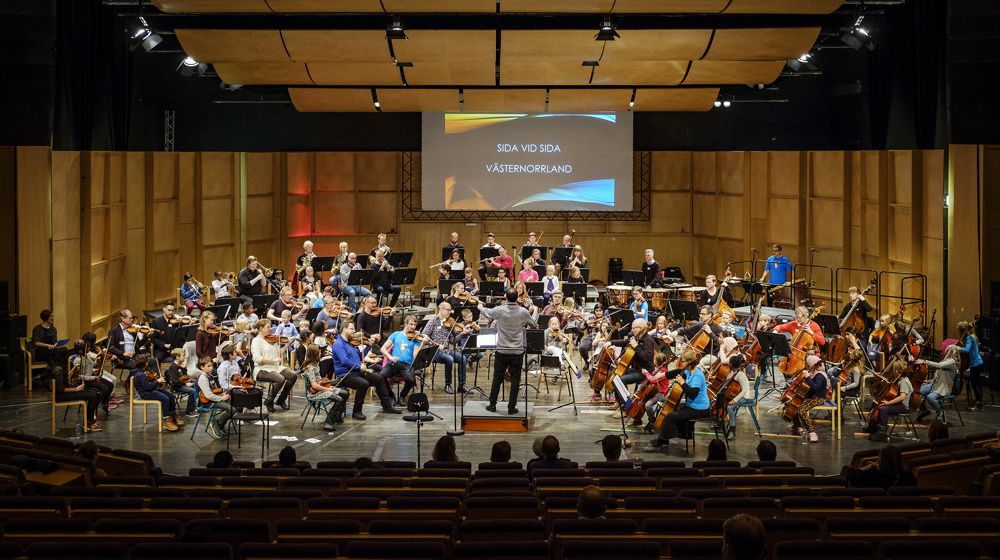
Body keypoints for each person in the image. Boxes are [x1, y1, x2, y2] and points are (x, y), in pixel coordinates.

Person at [479, 288, 538, 414]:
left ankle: (492, 405)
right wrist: (536, 311)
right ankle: (511, 407)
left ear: (506, 297)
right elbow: (533, 323)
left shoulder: (499, 310)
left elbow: (487, 313)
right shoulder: (522, 311)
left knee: (497, 377)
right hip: (517, 351)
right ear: (517, 298)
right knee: (515, 379)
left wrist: (480, 307)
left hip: (502, 350)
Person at [330, 321, 401, 419]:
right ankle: (357, 411)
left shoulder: (350, 343)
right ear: (344, 329)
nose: (354, 331)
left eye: (354, 329)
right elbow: (344, 360)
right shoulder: (338, 344)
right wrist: (358, 366)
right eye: (351, 329)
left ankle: (387, 406)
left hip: (356, 372)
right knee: (363, 384)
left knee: (379, 378)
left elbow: (359, 356)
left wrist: (369, 346)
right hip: (345, 374)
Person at [645, 348, 709, 452]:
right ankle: (664, 438)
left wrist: (682, 383)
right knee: (671, 410)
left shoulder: (697, 375)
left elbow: (693, 394)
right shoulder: (690, 371)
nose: (682, 363)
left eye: (683, 361)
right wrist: (662, 375)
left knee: (670, 416)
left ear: (689, 362)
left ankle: (659, 442)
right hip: (693, 406)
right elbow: (678, 372)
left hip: (699, 409)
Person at [423, 301, 473, 394]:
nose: (450, 312)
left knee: (462, 358)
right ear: (441, 309)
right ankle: (448, 385)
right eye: (448, 310)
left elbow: (453, 341)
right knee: (449, 359)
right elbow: (424, 336)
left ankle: (461, 385)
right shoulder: (432, 322)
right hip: (434, 351)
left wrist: (461, 334)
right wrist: (436, 344)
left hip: (446, 350)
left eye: (450, 310)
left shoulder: (450, 323)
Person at [49, 347, 103, 431]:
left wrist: (73, 371)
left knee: (95, 391)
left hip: (64, 393)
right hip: (61, 395)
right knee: (93, 396)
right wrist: (76, 389)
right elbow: (60, 389)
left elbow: (64, 380)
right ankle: (88, 422)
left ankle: (90, 419)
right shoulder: (58, 370)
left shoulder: (57, 366)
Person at [250, 319, 299, 412]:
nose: (270, 329)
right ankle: (269, 400)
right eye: (268, 327)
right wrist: (273, 360)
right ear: (261, 328)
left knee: (293, 375)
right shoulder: (256, 341)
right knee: (280, 379)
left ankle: (281, 400)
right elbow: (257, 358)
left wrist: (287, 344)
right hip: (262, 368)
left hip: (275, 367)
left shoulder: (271, 339)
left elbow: (278, 353)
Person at [862, 361, 913, 442]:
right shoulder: (898, 379)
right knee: (877, 402)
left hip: (903, 406)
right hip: (898, 404)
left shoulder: (904, 381)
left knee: (884, 409)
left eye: (894, 369)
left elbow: (902, 397)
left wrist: (888, 403)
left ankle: (882, 434)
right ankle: (873, 426)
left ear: (896, 370)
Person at [302, 343, 348, 430]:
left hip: (321, 390)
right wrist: (328, 389)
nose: (321, 354)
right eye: (319, 352)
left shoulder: (316, 365)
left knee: (345, 393)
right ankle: (327, 422)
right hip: (315, 393)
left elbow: (320, 382)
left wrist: (330, 387)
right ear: (314, 354)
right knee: (339, 399)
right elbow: (314, 385)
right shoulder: (310, 368)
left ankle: (337, 416)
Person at [133, 353, 182, 432]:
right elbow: (146, 387)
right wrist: (157, 381)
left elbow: (149, 384)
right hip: (146, 394)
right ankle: (166, 420)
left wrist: (157, 382)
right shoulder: (140, 374)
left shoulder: (143, 372)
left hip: (150, 391)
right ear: (146, 363)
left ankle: (172, 415)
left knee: (170, 395)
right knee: (165, 399)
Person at [380, 315, 421, 406]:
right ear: (405, 324)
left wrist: (423, 344)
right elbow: (383, 348)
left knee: (410, 380)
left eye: (415, 325)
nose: (413, 327)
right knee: (381, 376)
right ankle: (391, 396)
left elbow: (415, 355)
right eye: (411, 324)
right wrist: (390, 357)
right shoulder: (396, 334)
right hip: (394, 363)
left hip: (407, 365)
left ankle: (402, 395)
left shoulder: (416, 338)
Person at [785, 355, 827, 443]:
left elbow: (816, 387)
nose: (806, 366)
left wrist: (807, 377)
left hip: (818, 398)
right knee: (791, 403)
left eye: (807, 364)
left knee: (801, 410)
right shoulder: (814, 373)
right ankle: (797, 425)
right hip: (810, 397)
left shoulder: (820, 375)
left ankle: (812, 432)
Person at [915, 345, 960, 422]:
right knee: (915, 392)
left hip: (943, 388)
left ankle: (940, 412)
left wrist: (925, 362)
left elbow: (939, 365)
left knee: (930, 397)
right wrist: (928, 381)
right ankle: (924, 410)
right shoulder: (946, 361)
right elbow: (939, 377)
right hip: (934, 385)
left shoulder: (952, 362)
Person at [608, 318, 656, 390]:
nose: (632, 330)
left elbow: (646, 357)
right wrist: (611, 342)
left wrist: (636, 346)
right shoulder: (636, 338)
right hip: (636, 369)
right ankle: (617, 396)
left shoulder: (648, 340)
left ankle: (625, 397)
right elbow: (624, 342)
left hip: (644, 372)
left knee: (620, 380)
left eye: (634, 328)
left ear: (641, 328)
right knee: (614, 373)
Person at [849, 444, 916, 490]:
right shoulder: (909, 477)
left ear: (880, 460)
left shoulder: (873, 474)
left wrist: (870, 466)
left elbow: (852, 477)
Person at [195, 356, 230, 439]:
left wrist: (224, 395)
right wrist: (222, 398)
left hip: (215, 399)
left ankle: (220, 424)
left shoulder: (210, 376)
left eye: (212, 366)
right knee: (231, 409)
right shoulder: (203, 379)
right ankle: (217, 424)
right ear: (202, 367)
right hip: (208, 402)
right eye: (208, 366)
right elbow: (209, 396)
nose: (211, 368)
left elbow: (216, 390)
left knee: (236, 404)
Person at [957, 320, 985, 411]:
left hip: (975, 363)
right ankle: (979, 401)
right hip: (977, 363)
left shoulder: (969, 338)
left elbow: (966, 350)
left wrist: (956, 348)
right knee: (977, 383)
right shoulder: (972, 336)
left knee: (975, 383)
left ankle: (979, 404)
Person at [723, 355, 752, 440]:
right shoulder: (735, 372)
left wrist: (734, 400)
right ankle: (720, 421)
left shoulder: (740, 375)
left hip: (745, 397)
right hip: (738, 395)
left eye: (729, 362)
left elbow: (745, 390)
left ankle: (732, 430)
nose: (728, 364)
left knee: (730, 407)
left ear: (731, 364)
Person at [164, 347, 198, 417]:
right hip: (177, 386)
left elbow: (184, 376)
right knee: (192, 391)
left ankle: (199, 406)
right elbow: (175, 381)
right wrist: (185, 383)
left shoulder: (180, 366)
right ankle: (189, 411)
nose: (185, 357)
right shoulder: (173, 367)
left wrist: (184, 368)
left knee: (198, 385)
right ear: (177, 357)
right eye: (183, 355)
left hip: (182, 383)